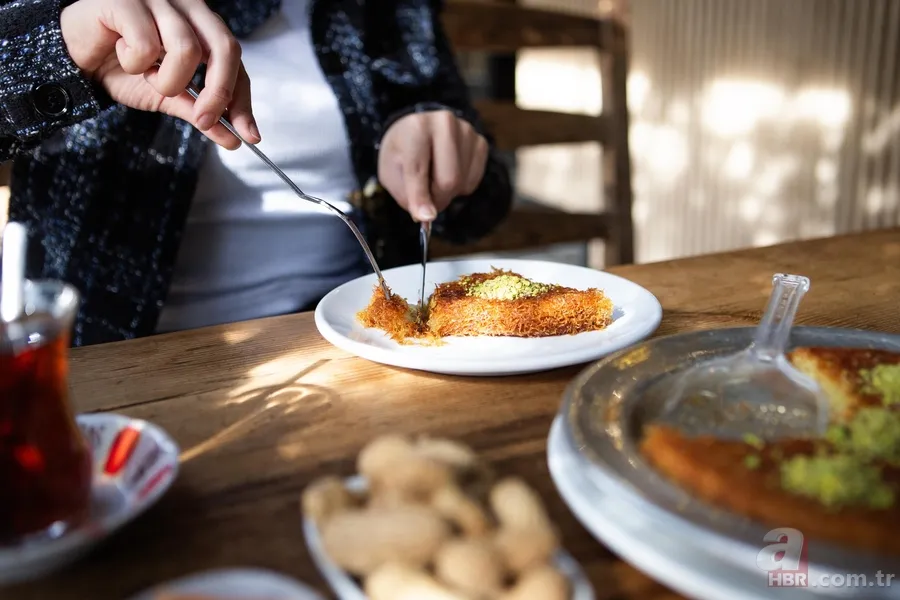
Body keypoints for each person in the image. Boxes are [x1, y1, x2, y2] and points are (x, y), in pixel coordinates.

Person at [0, 0, 513, 346]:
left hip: (356, 343)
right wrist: (58, 49)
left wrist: (443, 147)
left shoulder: (388, 9)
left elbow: (482, 205)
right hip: (114, 359)